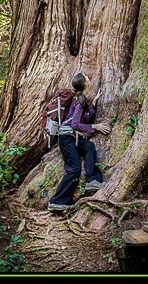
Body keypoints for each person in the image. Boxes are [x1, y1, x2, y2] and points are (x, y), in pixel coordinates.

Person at [47, 73, 111, 213]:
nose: (89, 79)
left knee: (89, 146)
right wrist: (95, 126)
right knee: (74, 169)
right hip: (65, 138)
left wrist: (93, 103)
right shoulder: (77, 100)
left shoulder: (80, 99)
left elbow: (84, 118)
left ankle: (92, 181)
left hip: (72, 137)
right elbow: (75, 124)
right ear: (84, 84)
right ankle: (56, 202)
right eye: (87, 79)